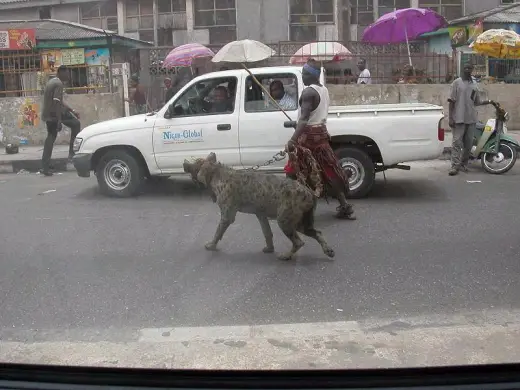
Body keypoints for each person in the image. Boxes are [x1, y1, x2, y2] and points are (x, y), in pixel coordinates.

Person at [284, 59, 356, 220]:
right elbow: (316, 116)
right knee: (329, 172)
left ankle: (292, 209)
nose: (302, 76)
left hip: (307, 139)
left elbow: (304, 120)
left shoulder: (308, 92)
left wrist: (292, 140)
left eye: (304, 74)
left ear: (311, 75)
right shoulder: (323, 90)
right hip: (320, 136)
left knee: (293, 171)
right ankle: (344, 206)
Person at [448, 62, 491, 176]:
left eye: (469, 68)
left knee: (468, 144)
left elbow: (476, 101)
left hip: (471, 119)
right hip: (458, 118)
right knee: (456, 143)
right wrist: (450, 118)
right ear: (463, 69)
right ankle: (454, 166)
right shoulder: (456, 83)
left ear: (472, 70)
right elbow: (451, 101)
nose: (467, 70)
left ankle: (463, 164)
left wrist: (488, 101)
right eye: (465, 68)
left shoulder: (474, 85)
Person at [40, 65, 81, 176]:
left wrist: (72, 110)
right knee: (75, 124)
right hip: (54, 114)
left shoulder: (53, 81)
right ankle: (71, 155)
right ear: (61, 73)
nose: (69, 76)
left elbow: (59, 100)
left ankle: (45, 164)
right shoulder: (58, 84)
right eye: (67, 73)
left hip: (49, 114)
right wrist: (58, 120)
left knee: (51, 137)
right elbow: (57, 103)